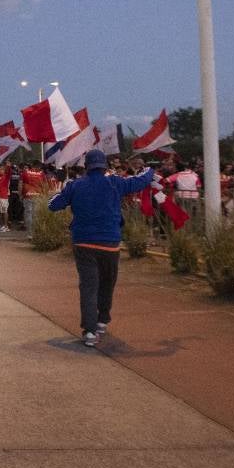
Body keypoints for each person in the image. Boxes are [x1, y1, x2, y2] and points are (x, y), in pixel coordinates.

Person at [48, 149, 153, 347]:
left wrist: (57, 196)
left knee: (88, 287)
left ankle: (89, 332)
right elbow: (140, 181)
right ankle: (102, 320)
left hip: (83, 242)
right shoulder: (115, 182)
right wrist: (149, 171)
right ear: (104, 166)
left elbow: (53, 205)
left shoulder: (75, 185)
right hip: (110, 242)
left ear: (86, 166)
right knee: (107, 283)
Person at [20, 161, 46, 238]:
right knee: (36, 215)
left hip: (27, 196)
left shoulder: (25, 173)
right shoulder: (41, 174)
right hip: (38, 196)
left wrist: (20, 194)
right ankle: (35, 233)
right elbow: (44, 185)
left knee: (28, 214)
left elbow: (20, 184)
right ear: (38, 166)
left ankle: (30, 234)